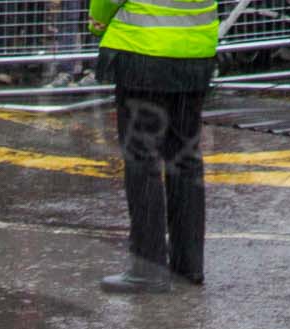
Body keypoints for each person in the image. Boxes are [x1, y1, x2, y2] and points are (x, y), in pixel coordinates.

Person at [90, 0, 219, 293]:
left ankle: (147, 268)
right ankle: (188, 265)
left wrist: (97, 20)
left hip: (144, 50)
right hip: (196, 49)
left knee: (142, 160)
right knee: (185, 158)